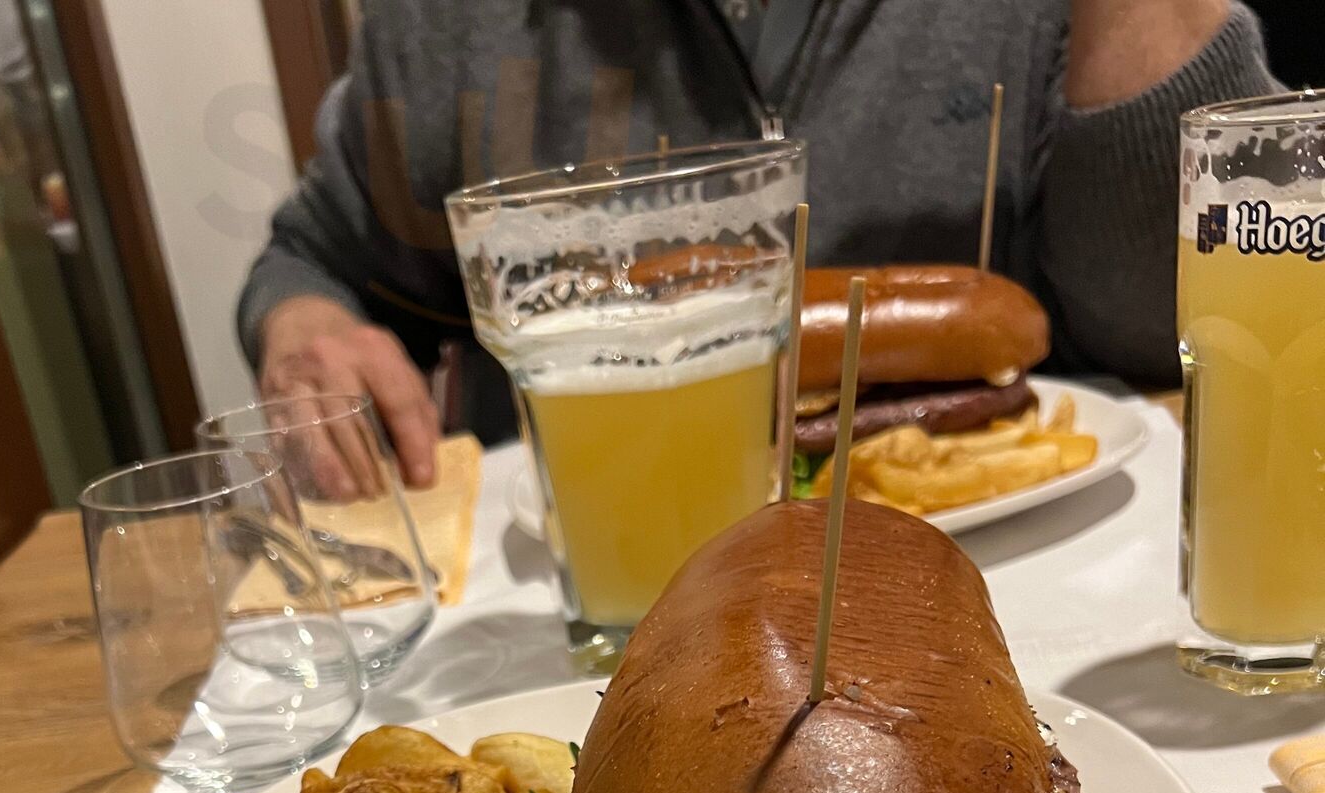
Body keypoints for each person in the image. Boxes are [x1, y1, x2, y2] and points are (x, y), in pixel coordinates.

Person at [239, 0, 1276, 491]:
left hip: (1030, 584)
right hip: (583, 620)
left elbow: (1178, 333)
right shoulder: (441, 23)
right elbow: (319, 258)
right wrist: (305, 324)